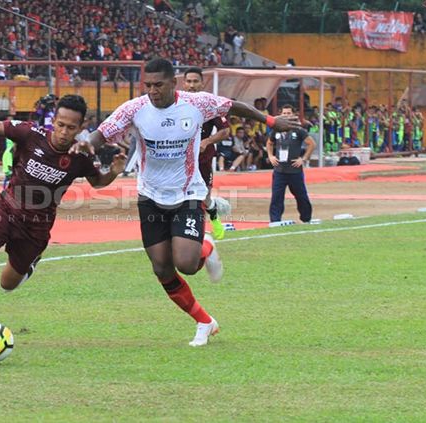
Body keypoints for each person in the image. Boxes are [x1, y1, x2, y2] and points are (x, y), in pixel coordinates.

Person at [71, 58, 300, 347]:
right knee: (162, 269)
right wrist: (88, 143)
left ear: (172, 83)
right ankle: (205, 322)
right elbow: (102, 132)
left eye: (158, 85)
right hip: (150, 196)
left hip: (188, 193)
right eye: (148, 86)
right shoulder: (135, 108)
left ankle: (206, 245)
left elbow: (234, 106)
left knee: (187, 264)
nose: (153, 91)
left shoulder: (198, 103)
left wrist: (270, 120)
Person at [0, 95, 126, 340]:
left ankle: (30, 263)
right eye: (60, 124)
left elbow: (97, 181)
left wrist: (113, 172)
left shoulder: (81, 157)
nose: (63, 132)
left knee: (7, 285)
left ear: (80, 128)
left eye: (71, 128)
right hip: (6, 209)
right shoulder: (31, 135)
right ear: (53, 121)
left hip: (36, 228)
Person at [182, 67, 229, 240]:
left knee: (204, 196)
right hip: (179, 160)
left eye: (195, 81)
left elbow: (225, 131)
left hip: (203, 159)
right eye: (189, 81)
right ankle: (191, 232)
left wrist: (207, 141)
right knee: (182, 197)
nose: (192, 85)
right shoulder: (175, 103)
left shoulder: (210, 104)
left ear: (202, 83)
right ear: (183, 83)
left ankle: (214, 217)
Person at [266, 105, 316, 224]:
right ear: (280, 115)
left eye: (289, 113)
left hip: (295, 170)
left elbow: (312, 144)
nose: (286, 115)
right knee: (276, 197)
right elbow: (269, 143)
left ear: (293, 115)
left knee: (301, 196)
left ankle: (306, 218)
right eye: (284, 113)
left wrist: (303, 159)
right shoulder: (276, 130)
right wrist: (270, 156)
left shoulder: (298, 130)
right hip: (279, 170)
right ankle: (275, 220)